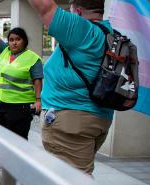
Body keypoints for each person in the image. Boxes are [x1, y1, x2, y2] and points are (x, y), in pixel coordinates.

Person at [25, 0, 114, 175]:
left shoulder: (83, 31)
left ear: (78, 12)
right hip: (96, 118)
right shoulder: (109, 33)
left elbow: (44, 7)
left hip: (71, 119)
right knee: (70, 178)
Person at [0, 9, 43, 140]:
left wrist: (38, 100)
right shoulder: (4, 51)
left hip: (21, 106)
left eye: (18, 39)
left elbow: (37, 80)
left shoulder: (32, 58)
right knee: (5, 139)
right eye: (11, 39)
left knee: (19, 139)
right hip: (2, 104)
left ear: (24, 41)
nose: (14, 42)